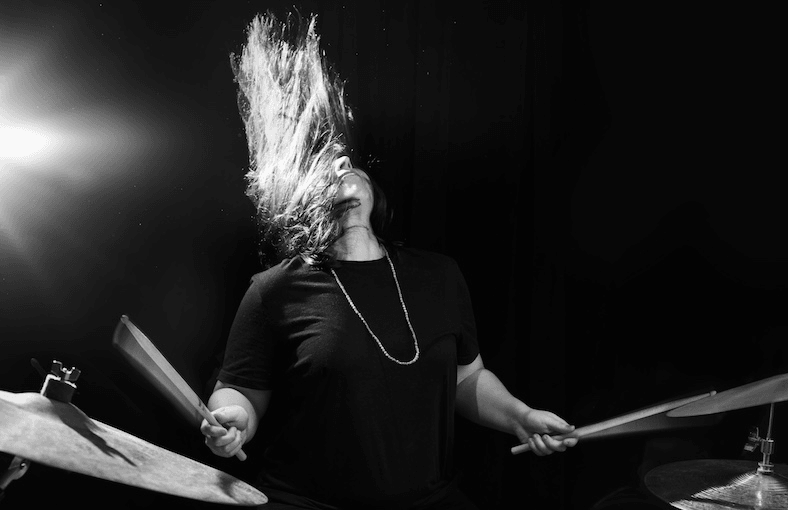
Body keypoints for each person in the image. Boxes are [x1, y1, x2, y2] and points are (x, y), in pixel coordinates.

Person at [200, 11, 576, 510]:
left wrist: (520, 416)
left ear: (371, 185)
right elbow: (239, 390)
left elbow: (466, 379)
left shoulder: (439, 274)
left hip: (429, 500)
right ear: (296, 196)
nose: (339, 180)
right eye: (321, 176)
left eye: (345, 167)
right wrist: (232, 419)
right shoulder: (273, 289)